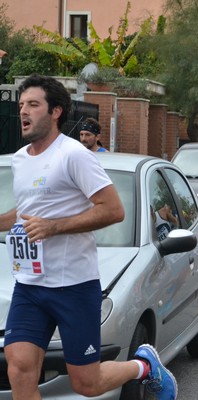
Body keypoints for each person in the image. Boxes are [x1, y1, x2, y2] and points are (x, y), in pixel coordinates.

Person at [0, 75, 177, 400]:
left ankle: (144, 367)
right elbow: (25, 213)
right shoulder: (22, 159)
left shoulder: (74, 155)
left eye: (33, 105)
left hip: (73, 286)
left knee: (86, 382)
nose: (24, 111)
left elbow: (112, 210)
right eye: (22, 105)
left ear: (55, 112)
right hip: (29, 285)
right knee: (19, 368)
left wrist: (53, 227)